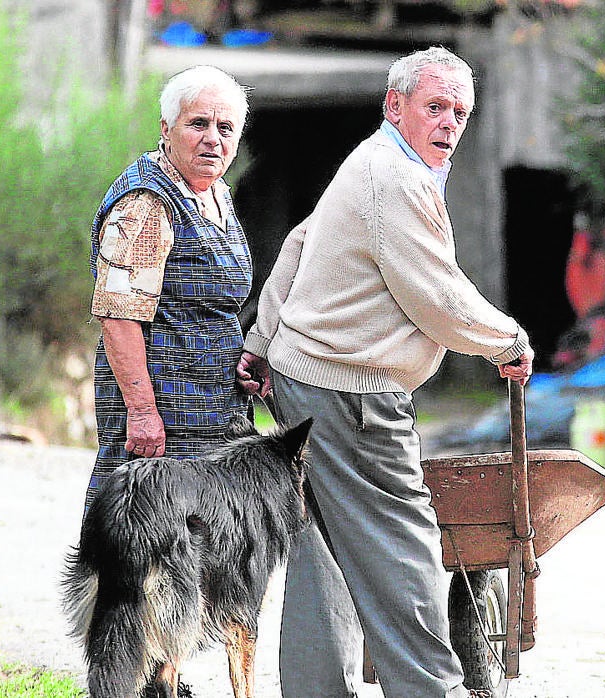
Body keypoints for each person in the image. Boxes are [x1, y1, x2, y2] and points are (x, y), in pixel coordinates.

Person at [235, 46, 533, 698]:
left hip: (304, 379)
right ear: (394, 106)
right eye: (435, 107)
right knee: (404, 546)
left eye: (459, 111)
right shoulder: (394, 179)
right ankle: (433, 692)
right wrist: (506, 342)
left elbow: (298, 244)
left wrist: (261, 340)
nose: (449, 122)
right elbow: (438, 297)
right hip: (350, 392)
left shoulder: (373, 161)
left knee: (323, 554)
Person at [83, 64, 252, 515]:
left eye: (225, 127)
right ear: (167, 128)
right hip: (162, 408)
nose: (212, 138)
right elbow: (118, 314)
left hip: (216, 405)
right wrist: (141, 411)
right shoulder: (147, 201)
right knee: (145, 540)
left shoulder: (216, 193)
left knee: (205, 547)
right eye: (198, 123)